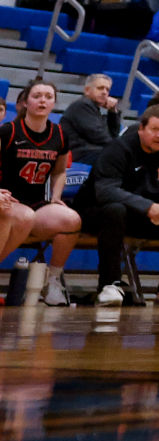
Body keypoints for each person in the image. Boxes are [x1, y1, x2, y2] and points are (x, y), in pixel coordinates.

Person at [76, 102, 159, 306]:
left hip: (142, 216)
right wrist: (147, 206)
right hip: (96, 212)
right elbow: (106, 191)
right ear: (142, 128)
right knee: (115, 210)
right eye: (155, 129)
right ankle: (109, 285)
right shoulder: (118, 149)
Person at [0, 79, 80, 305]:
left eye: (48, 96)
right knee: (25, 217)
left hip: (36, 201)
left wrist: (56, 196)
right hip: (8, 198)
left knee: (71, 219)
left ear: (54, 102)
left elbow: (60, 171)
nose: (42, 100)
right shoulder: (8, 131)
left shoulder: (60, 134)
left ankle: (53, 280)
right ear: (25, 102)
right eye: (37, 96)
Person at [60, 75, 121, 167]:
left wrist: (112, 111)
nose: (104, 92)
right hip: (77, 154)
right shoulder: (82, 105)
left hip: (91, 152)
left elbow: (113, 135)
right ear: (87, 90)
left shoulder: (94, 109)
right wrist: (121, 147)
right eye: (100, 88)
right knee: (119, 157)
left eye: (107, 90)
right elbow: (98, 136)